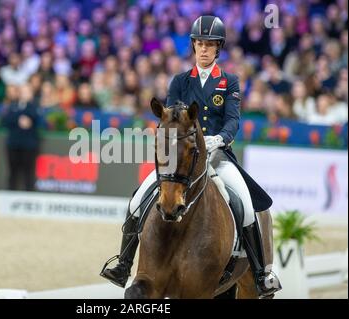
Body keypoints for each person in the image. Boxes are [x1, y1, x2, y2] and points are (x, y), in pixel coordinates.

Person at [101, 15, 281, 298]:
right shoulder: (181, 81)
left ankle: (261, 273)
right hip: (181, 156)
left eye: (209, 44)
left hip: (218, 155)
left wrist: (218, 139)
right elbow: (171, 116)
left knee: (247, 205)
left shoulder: (229, 82)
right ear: (194, 46)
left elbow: (233, 120)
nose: (204, 49)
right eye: (199, 44)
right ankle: (123, 264)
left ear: (218, 48)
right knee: (138, 198)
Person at [2, 83, 40, 191]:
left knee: (28, 172)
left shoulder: (34, 106)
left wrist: (24, 117)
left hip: (28, 145)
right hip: (13, 144)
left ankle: (29, 194)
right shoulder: (12, 105)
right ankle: (11, 194)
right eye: (23, 91)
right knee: (13, 172)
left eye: (27, 92)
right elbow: (6, 119)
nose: (25, 94)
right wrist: (19, 119)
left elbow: (35, 118)